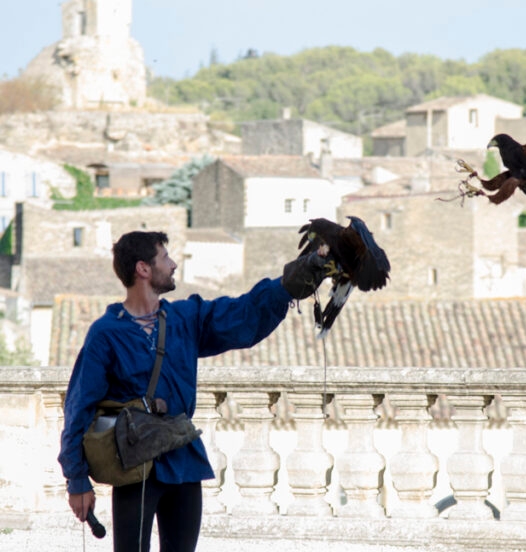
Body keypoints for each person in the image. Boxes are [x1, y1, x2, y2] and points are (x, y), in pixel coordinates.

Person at [58, 230, 326, 551]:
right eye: (165, 258)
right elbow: (79, 408)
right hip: (133, 463)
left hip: (183, 458)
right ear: (143, 269)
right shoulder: (107, 333)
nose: (173, 265)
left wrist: (290, 283)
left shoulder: (185, 318)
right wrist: (76, 479)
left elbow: (242, 314)